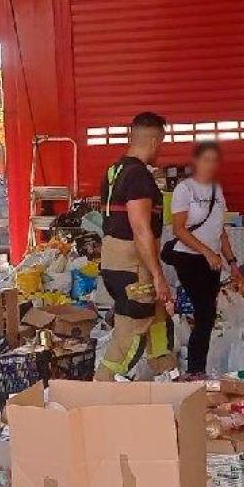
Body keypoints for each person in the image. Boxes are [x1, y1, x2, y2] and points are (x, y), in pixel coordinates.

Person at [95, 111, 177, 380]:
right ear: (154, 141)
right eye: (161, 143)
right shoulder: (139, 175)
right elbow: (141, 229)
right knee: (131, 331)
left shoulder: (114, 171)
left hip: (113, 259)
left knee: (157, 320)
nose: (161, 149)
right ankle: (98, 389)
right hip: (133, 264)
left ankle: (167, 376)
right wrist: (158, 276)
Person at [165, 142, 237, 373]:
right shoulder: (184, 190)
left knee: (207, 316)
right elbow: (179, 229)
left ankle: (198, 369)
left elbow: (220, 230)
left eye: (214, 160)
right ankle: (196, 371)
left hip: (212, 261)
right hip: (189, 258)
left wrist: (232, 261)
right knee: (205, 312)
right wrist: (206, 252)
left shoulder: (217, 190)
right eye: (205, 159)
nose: (210, 165)